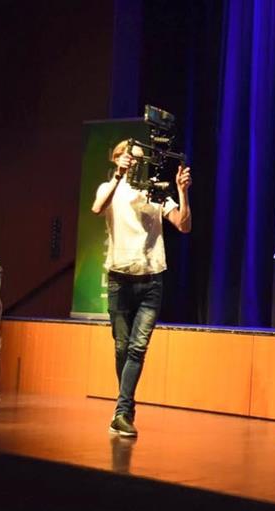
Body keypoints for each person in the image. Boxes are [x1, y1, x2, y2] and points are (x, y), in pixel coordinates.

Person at [91, 140, 192, 437]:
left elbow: (184, 225)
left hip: (151, 280)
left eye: (138, 158)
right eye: (128, 157)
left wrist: (183, 192)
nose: (134, 161)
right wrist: (118, 177)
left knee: (137, 347)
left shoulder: (156, 192)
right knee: (122, 347)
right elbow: (97, 208)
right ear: (117, 158)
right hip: (119, 279)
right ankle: (124, 408)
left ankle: (122, 412)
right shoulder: (110, 188)